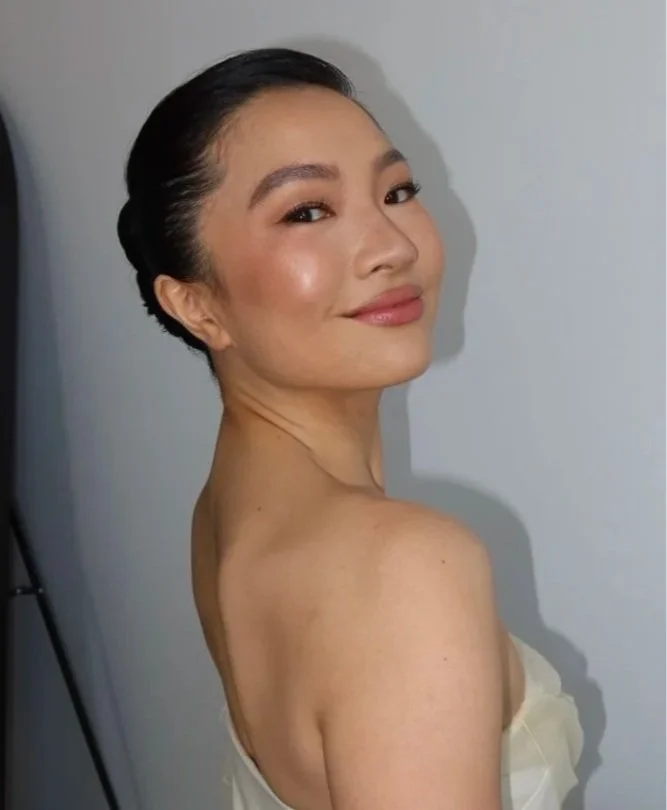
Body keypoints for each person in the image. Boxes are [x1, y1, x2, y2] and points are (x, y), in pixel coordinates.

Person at [117, 47, 583, 810]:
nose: (393, 247)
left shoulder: (226, 514)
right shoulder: (401, 565)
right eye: (308, 210)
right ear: (195, 305)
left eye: (397, 191)